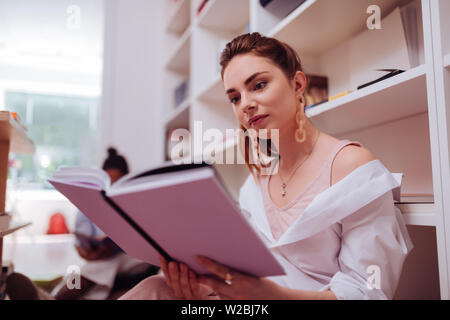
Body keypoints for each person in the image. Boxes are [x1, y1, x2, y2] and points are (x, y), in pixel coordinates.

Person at [119, 32, 413, 300]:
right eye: (235, 97)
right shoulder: (259, 177)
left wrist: (272, 295)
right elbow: (245, 269)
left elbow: (368, 292)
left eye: (258, 85)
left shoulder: (352, 166)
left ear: (297, 84)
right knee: (154, 288)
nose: (245, 104)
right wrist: (203, 283)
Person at [53, 147, 159, 300]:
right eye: (108, 183)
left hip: (133, 258)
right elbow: (80, 245)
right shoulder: (89, 204)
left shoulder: (139, 202)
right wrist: (88, 253)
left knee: (93, 269)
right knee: (96, 266)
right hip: (101, 260)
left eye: (117, 183)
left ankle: (54, 297)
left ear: (126, 179)